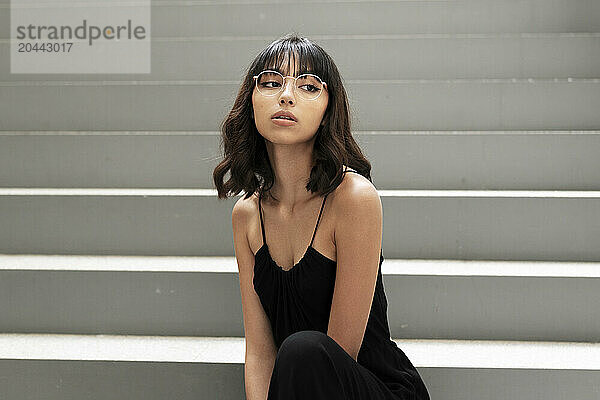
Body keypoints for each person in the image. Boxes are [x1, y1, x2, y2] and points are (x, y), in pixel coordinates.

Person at [213, 33, 430, 400]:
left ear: (329, 109)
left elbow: (337, 354)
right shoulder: (247, 216)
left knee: (305, 351)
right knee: (296, 352)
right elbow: (260, 350)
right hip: (296, 389)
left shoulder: (353, 198)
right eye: (270, 82)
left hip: (367, 387)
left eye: (309, 86)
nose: (286, 95)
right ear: (251, 101)